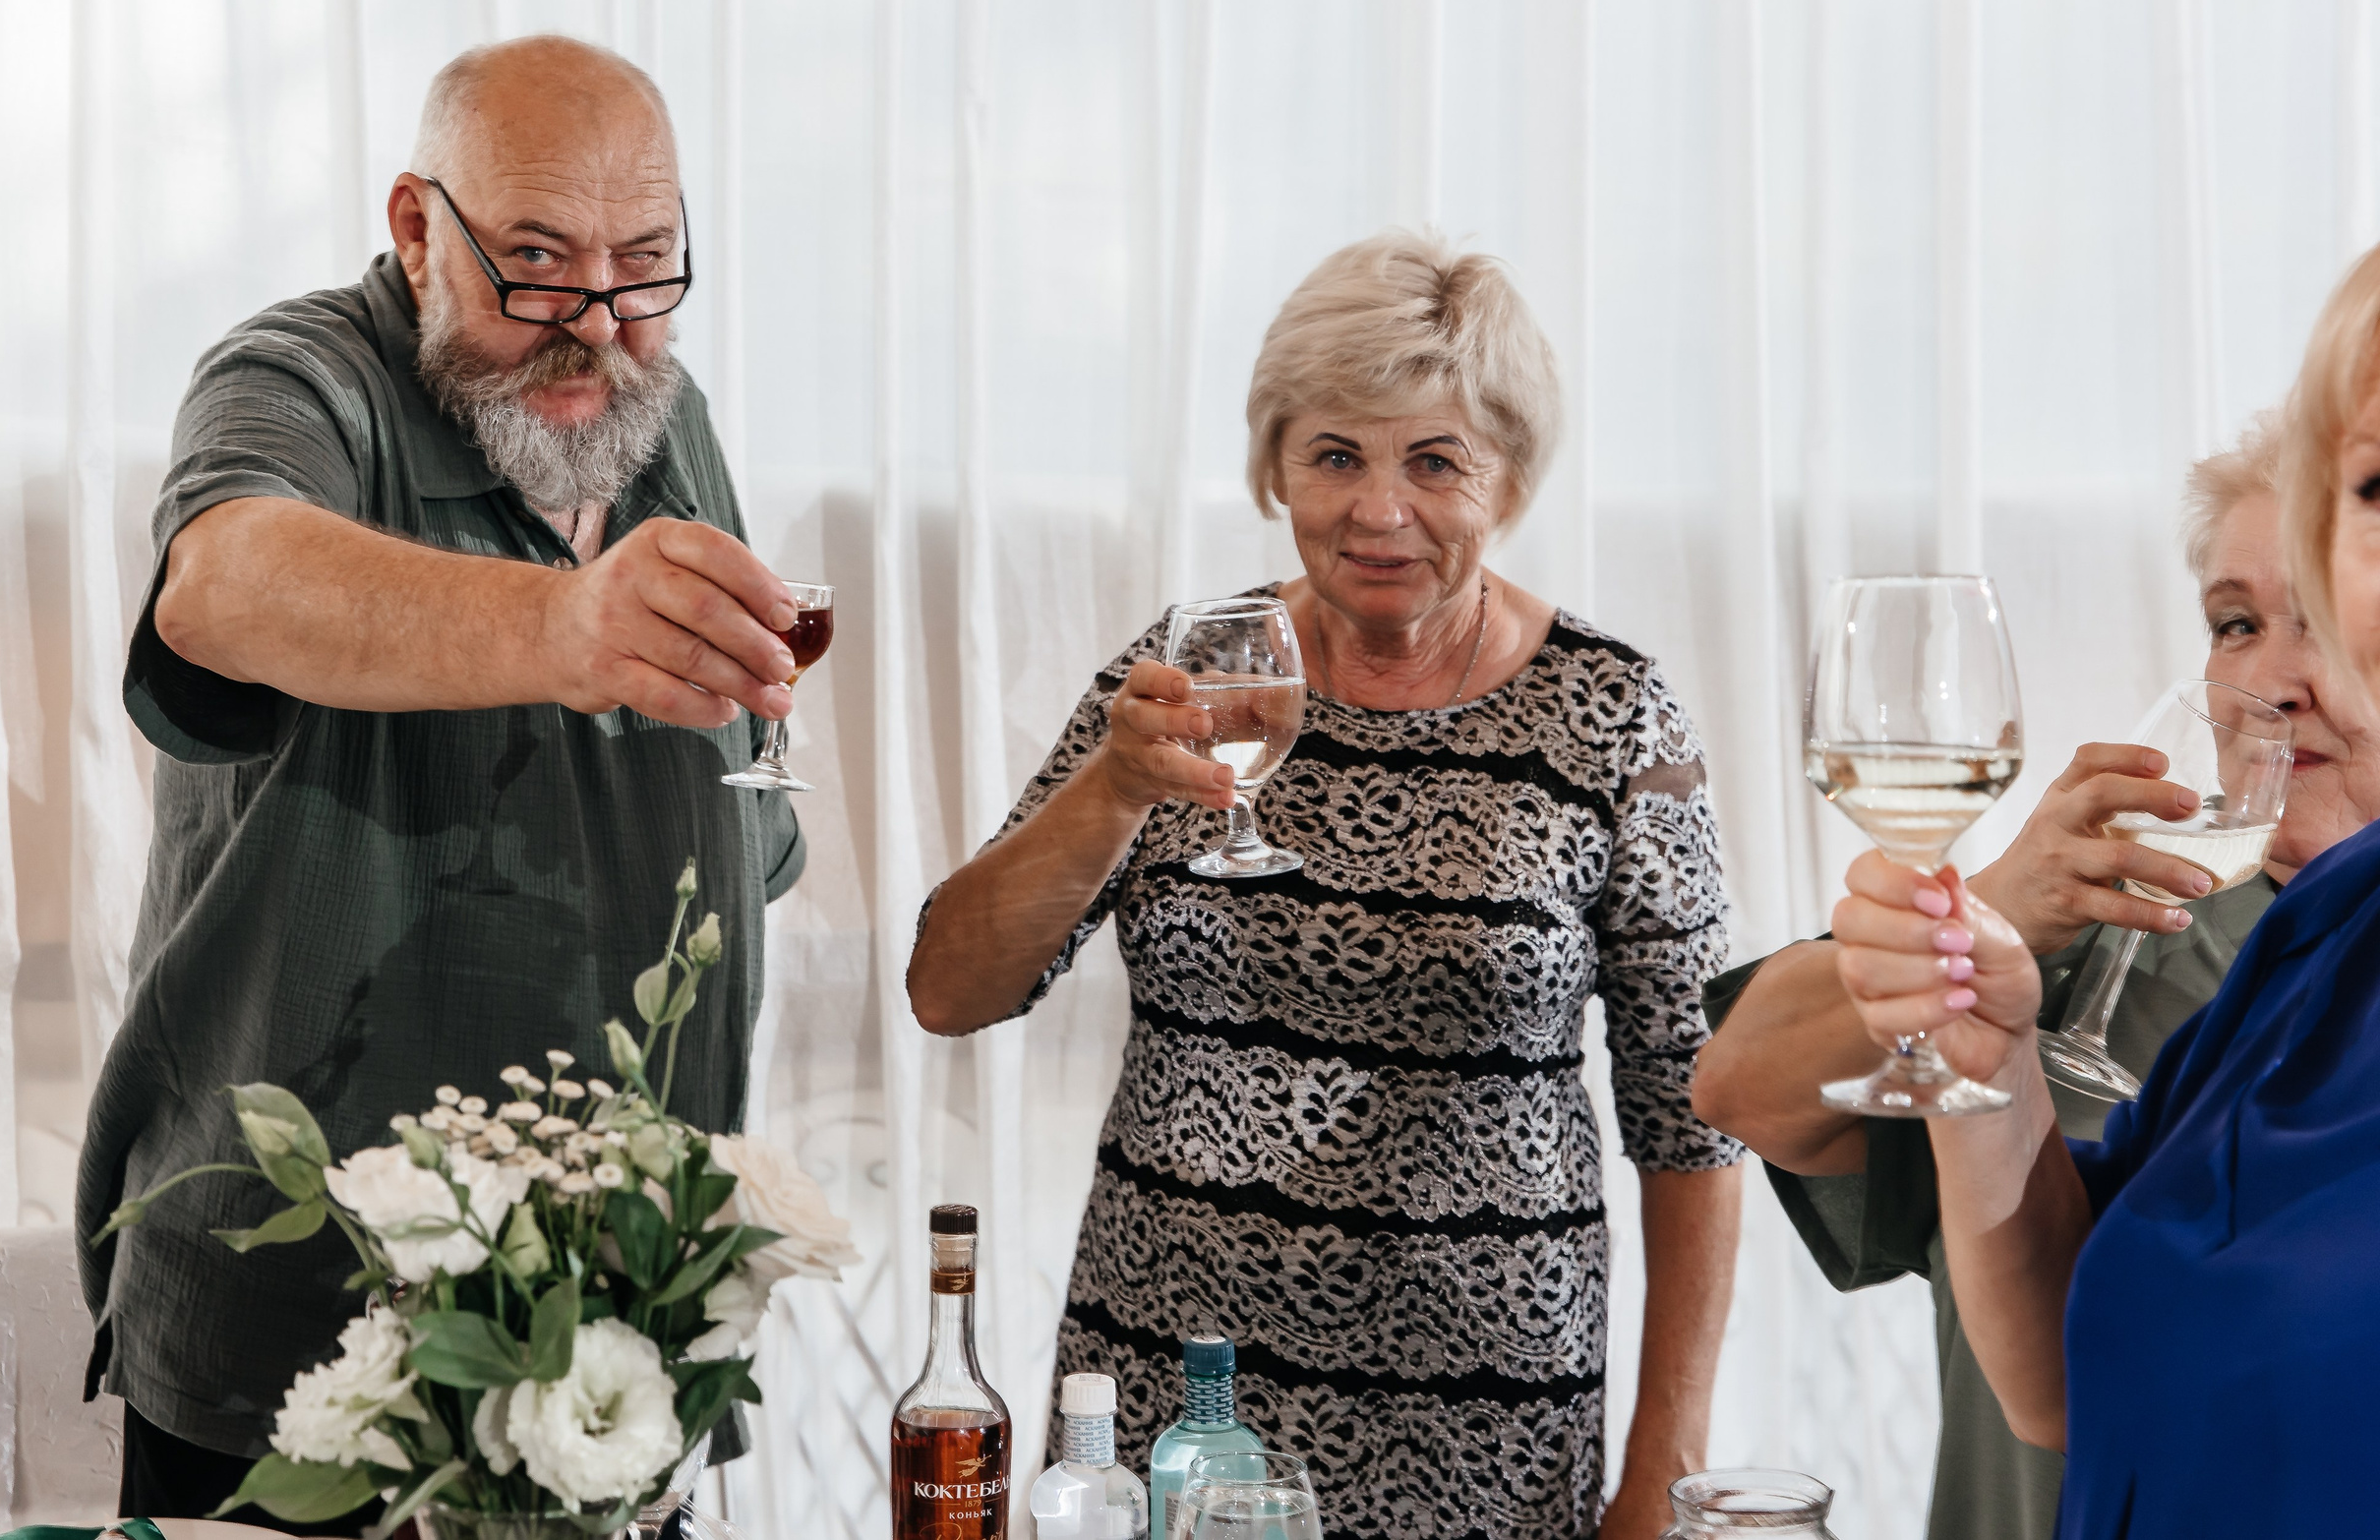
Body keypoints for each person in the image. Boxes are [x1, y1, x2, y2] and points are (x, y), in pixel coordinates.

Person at [908, 230, 1747, 1540]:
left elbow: (1694, 1121)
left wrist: (1662, 1474)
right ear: (1272, 464)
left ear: (1511, 477)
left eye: (1435, 459)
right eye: (1336, 454)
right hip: (1178, 1404)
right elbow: (951, 987)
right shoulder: (1190, 674)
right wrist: (1114, 787)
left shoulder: (1614, 713)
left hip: (1492, 1423)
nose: (1379, 509)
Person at [74, 36, 807, 1531]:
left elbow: (739, 804)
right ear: (417, 227)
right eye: (535, 264)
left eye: (646, 266)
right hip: (306, 1341)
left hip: (617, 1337)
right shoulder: (300, 372)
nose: (596, 326)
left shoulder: (667, 413)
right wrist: (566, 623)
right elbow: (222, 583)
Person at [1690, 420, 2380, 1540]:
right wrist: (1994, 908)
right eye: (2233, 623)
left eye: (2318, 622)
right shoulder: (2105, 926)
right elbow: (1738, 1089)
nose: (2262, 680)